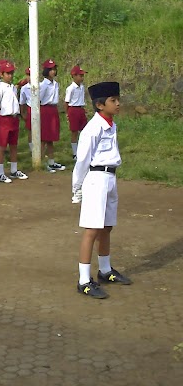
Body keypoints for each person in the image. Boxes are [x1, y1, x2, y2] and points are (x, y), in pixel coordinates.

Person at [72, 81, 130, 299]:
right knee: (92, 230)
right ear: (99, 105)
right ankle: (84, 280)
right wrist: (77, 187)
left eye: (117, 99)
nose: (118, 104)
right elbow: (82, 160)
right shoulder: (92, 128)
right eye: (113, 101)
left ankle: (105, 270)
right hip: (95, 179)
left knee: (106, 227)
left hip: (110, 177)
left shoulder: (110, 124)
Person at [0, 62, 28, 183]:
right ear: (2, 74)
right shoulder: (0, 87)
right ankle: (0, 173)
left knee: (13, 145)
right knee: (1, 146)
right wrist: (4, 110)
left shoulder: (12, 87)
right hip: (4, 119)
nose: (10, 76)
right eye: (8, 73)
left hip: (14, 118)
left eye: (12, 73)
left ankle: (13, 170)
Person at [40, 59, 66, 172]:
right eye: (51, 69)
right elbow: (39, 99)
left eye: (54, 69)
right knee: (44, 138)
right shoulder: (43, 84)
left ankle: (51, 161)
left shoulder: (55, 84)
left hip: (53, 109)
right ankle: (40, 161)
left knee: (51, 138)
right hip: (45, 109)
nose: (53, 71)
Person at [65, 65, 88, 160]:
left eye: (82, 76)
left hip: (80, 109)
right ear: (74, 76)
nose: (82, 78)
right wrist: (67, 114)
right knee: (74, 132)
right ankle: (75, 153)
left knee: (85, 131)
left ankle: (84, 150)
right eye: (80, 75)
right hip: (73, 110)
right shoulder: (71, 88)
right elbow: (67, 102)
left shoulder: (82, 87)